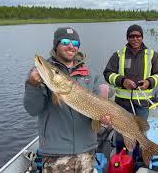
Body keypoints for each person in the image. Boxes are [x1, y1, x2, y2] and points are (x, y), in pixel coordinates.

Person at [24, 27, 109, 173]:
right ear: (56, 44)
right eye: (65, 42)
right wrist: (33, 85)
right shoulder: (40, 74)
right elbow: (32, 110)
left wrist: (103, 118)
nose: (71, 46)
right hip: (55, 154)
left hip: (86, 150)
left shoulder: (89, 73)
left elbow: (98, 108)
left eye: (75, 43)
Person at [103, 24, 158, 162]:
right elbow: (107, 73)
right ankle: (122, 158)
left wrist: (149, 82)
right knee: (121, 134)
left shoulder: (152, 55)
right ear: (127, 38)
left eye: (137, 36)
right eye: (131, 36)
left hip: (142, 104)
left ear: (142, 37)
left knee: (140, 133)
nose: (135, 38)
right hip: (122, 104)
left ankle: (140, 158)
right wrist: (122, 81)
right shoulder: (118, 55)